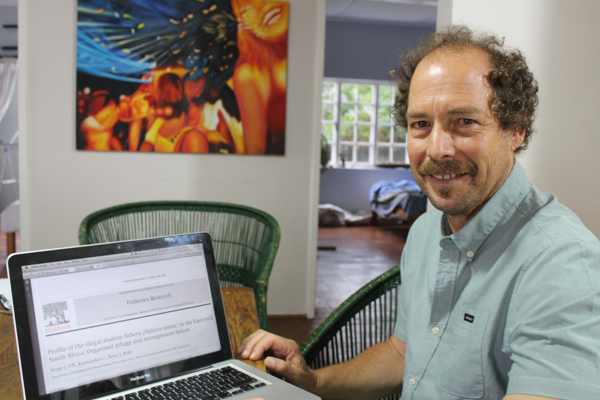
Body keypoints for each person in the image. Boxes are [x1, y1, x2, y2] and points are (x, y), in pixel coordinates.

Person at [239, 25, 600, 400]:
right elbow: (403, 354)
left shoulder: (561, 262)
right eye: (421, 125)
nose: (438, 149)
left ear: (516, 131)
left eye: (464, 122)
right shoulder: (427, 230)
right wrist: (312, 382)